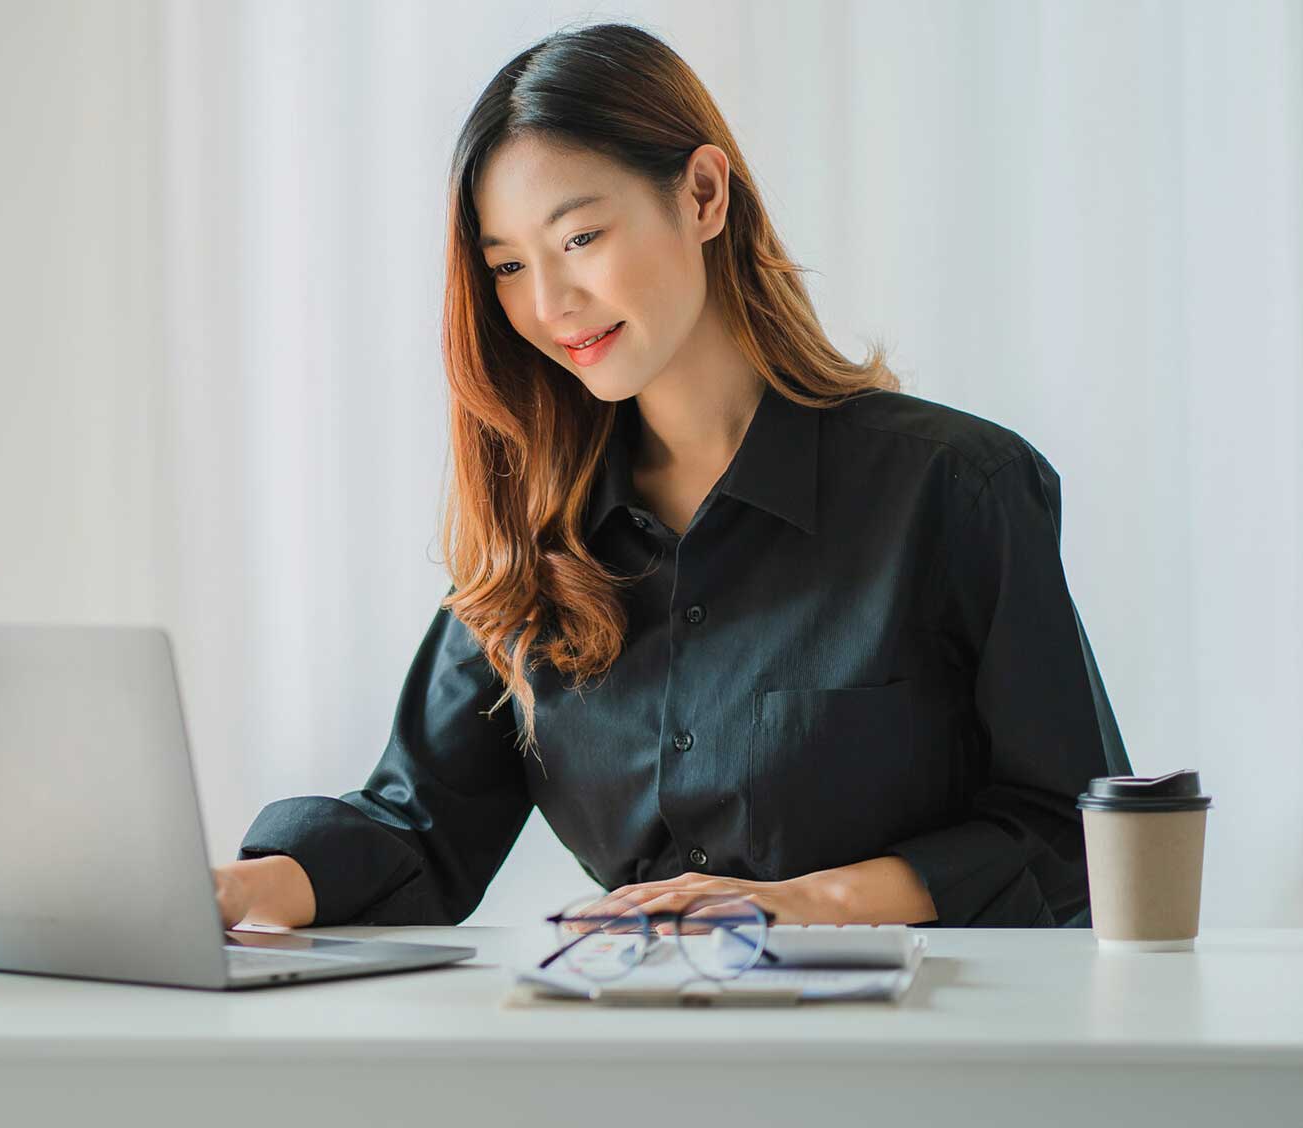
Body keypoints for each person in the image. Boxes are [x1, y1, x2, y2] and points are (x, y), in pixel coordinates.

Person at [212, 21, 1130, 932]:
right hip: (647, 1053)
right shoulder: (540, 540)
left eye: (579, 239)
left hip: (924, 1054)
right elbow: (416, 830)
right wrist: (232, 892)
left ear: (700, 194)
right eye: (506, 266)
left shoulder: (956, 489)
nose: (547, 304)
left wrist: (809, 902)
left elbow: (1074, 836)